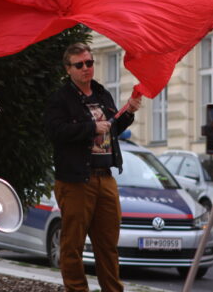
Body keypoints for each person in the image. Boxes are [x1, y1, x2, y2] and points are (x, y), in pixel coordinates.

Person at [45, 43, 141, 292]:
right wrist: (90, 128)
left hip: (105, 178)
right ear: (69, 69)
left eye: (89, 62)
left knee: (108, 244)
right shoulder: (61, 98)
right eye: (80, 65)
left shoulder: (102, 94)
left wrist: (128, 112)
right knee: (73, 244)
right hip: (76, 180)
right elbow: (55, 131)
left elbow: (113, 129)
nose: (87, 68)